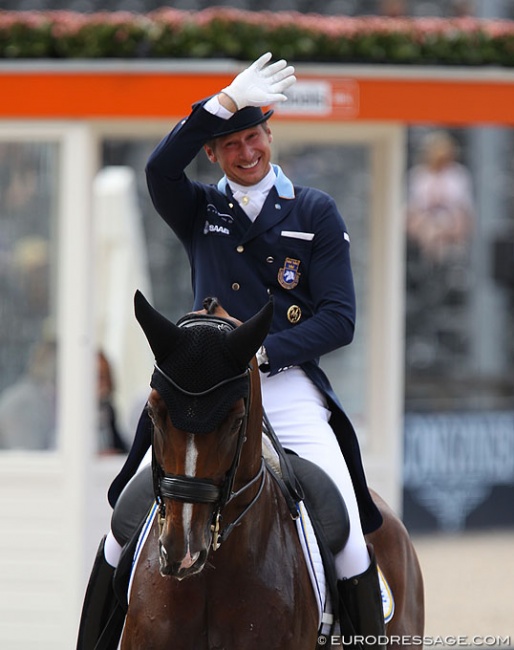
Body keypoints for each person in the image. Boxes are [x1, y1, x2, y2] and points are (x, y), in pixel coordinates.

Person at [77, 53, 384, 648]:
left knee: (346, 535)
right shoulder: (200, 208)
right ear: (212, 154)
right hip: (201, 391)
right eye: (230, 143)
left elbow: (339, 320)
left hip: (286, 383)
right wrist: (215, 105)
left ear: (270, 135)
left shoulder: (314, 211)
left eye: (254, 136)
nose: (247, 153)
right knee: (119, 531)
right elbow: (159, 170)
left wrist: (263, 354)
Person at [406, 130, 474, 264]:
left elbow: (465, 207)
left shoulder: (458, 175)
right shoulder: (419, 175)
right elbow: (413, 206)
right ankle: (429, 258)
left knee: (452, 221)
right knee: (426, 226)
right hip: (426, 223)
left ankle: (448, 258)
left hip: (451, 223)